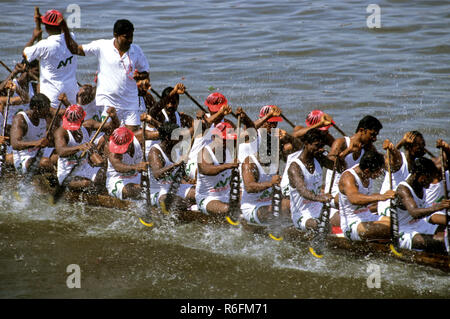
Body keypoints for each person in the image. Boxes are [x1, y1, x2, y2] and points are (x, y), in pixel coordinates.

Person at [61, 18, 150, 132]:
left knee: (131, 138)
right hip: (108, 102)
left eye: (132, 36)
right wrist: (65, 29)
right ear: (116, 35)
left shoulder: (136, 50)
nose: (130, 40)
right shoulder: (102, 46)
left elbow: (145, 72)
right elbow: (75, 49)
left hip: (131, 103)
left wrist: (140, 76)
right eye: (126, 37)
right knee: (110, 136)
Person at [326, 115, 383, 227]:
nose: (375, 139)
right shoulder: (341, 142)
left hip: (356, 194)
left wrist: (393, 149)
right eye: (372, 134)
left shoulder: (368, 148)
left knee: (385, 202)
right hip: (337, 194)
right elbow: (329, 164)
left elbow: (383, 163)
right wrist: (348, 151)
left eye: (376, 135)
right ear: (362, 130)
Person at [54, 104, 119, 191]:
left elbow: (112, 127)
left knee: (105, 174)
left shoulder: (88, 125)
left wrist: (114, 117)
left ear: (82, 120)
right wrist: (79, 147)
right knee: (86, 183)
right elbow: (60, 151)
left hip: (85, 168)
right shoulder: (61, 132)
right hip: (67, 173)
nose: (72, 127)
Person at [22, 9, 78, 108]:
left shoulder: (44, 45)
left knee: (53, 121)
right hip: (72, 91)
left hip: (52, 95)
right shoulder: (71, 37)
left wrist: (34, 37)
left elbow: (25, 54)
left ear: (46, 28)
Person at [395, 157, 450, 253]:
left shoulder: (421, 183)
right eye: (429, 178)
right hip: (403, 231)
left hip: (420, 224)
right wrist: (437, 207)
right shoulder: (403, 190)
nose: (431, 182)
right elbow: (414, 213)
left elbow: (443, 164)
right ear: (418, 175)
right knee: (442, 241)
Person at [338, 150, 395, 242]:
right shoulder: (348, 177)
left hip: (368, 216)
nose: (379, 174)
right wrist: (381, 197)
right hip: (352, 224)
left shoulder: (367, 171)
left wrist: (392, 150)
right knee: (392, 229)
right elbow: (354, 198)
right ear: (367, 171)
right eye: (378, 172)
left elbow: (390, 163)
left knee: (398, 224)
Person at [280, 109, 336, 197]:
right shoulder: (300, 130)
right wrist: (319, 124)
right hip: (295, 173)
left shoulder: (326, 136)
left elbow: (336, 148)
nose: (326, 131)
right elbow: (294, 136)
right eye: (323, 128)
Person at [241, 128, 290, 225]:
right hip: (252, 207)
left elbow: (296, 150)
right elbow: (249, 187)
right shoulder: (249, 163)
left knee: (295, 205)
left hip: (272, 203)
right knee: (281, 210)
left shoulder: (274, 156)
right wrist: (270, 183)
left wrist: (287, 137)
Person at [288, 129, 335, 231]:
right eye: (317, 145)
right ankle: (316, 245)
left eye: (321, 146)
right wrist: (321, 198)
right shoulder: (295, 167)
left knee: (340, 216)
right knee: (319, 225)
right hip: (301, 214)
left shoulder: (319, 159)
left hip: (319, 208)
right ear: (306, 144)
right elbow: (302, 191)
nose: (319, 149)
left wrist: (335, 153)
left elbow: (339, 168)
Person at [378, 131, 433, 216]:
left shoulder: (418, 163)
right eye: (420, 145)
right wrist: (399, 143)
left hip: (406, 206)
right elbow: (389, 158)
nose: (424, 149)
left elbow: (436, 166)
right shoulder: (400, 160)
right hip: (390, 206)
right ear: (409, 147)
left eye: (424, 145)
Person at [148, 122, 195, 210]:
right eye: (178, 137)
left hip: (176, 187)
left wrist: (188, 179)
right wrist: (175, 164)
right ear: (168, 138)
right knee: (174, 202)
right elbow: (157, 175)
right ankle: (191, 208)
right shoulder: (155, 152)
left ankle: (193, 207)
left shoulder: (176, 149)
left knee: (199, 194)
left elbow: (180, 174)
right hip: (159, 191)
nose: (181, 139)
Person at [195, 122, 239, 216]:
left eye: (227, 139)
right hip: (207, 198)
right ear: (214, 137)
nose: (225, 142)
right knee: (229, 209)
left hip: (227, 195)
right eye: (222, 139)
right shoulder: (204, 152)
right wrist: (228, 165)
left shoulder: (228, 150)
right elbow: (206, 170)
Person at [10, 93, 58, 174]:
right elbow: (15, 144)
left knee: (61, 157)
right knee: (45, 163)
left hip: (41, 151)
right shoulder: (20, 119)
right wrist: (36, 143)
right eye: (45, 109)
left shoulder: (43, 116)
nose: (48, 112)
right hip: (25, 155)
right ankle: (53, 177)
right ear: (36, 108)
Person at [105, 126, 149, 200]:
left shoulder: (139, 137)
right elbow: (118, 166)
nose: (119, 150)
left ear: (131, 141)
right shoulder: (109, 147)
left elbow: (160, 134)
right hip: (117, 180)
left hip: (136, 177)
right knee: (139, 191)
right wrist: (135, 167)